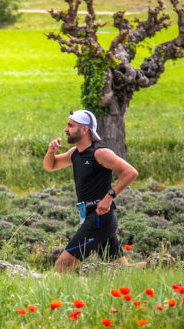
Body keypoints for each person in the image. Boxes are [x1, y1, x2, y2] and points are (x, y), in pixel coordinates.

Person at [43, 110, 139, 273]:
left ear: (84, 129)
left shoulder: (99, 153)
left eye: (71, 125)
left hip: (100, 218)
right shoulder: (75, 153)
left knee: (62, 266)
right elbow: (50, 166)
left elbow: (131, 172)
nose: (66, 129)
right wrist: (51, 151)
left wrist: (110, 196)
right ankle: (160, 265)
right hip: (89, 215)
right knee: (124, 271)